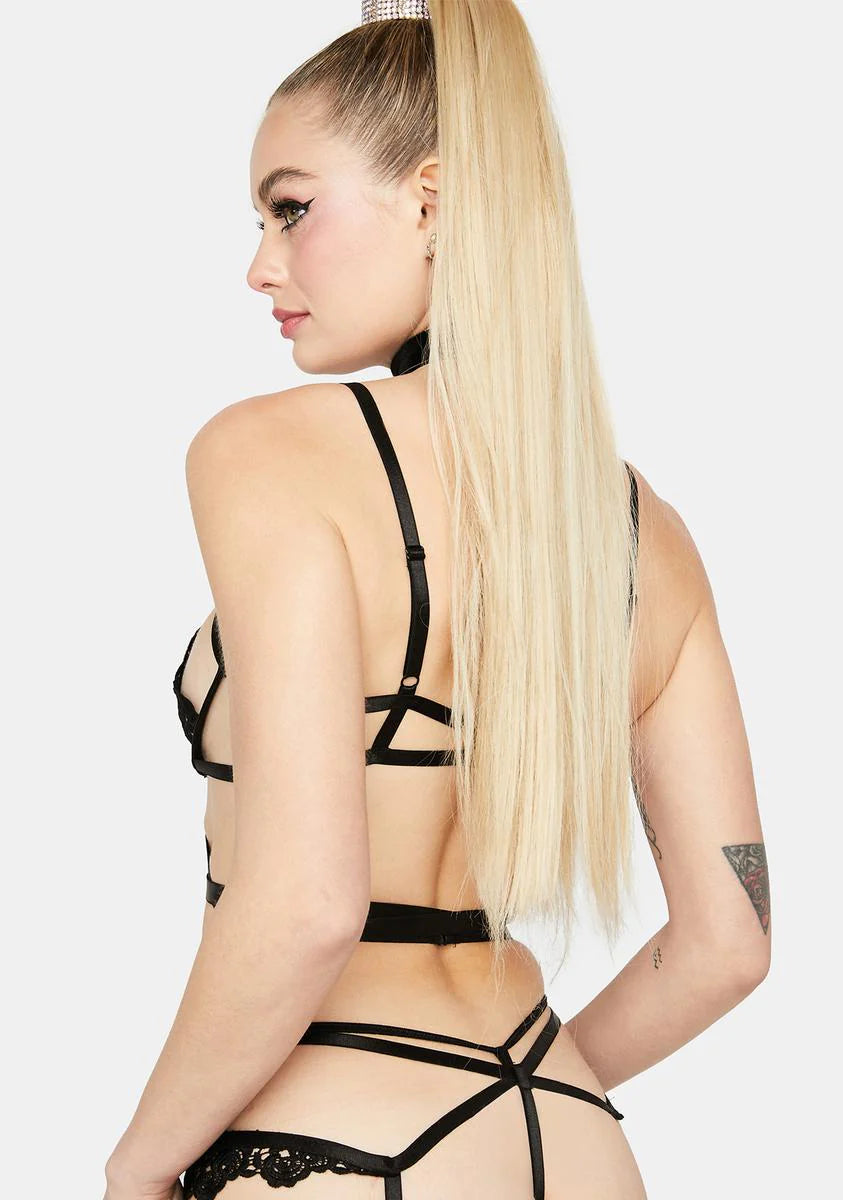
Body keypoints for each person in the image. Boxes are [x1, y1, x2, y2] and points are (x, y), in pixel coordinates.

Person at [103, 2, 771, 1197]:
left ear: (431, 199)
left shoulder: (269, 454)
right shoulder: (642, 534)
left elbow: (307, 905)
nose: (261, 265)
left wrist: (138, 1166)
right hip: (568, 1142)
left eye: (290, 208)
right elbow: (731, 942)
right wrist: (547, 1087)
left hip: (334, 1144)